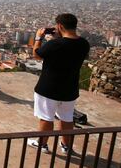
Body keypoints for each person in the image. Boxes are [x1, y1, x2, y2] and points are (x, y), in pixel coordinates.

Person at [27, 13, 90, 154]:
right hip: (70, 89)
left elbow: (36, 54)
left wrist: (38, 37)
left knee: (46, 118)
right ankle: (66, 146)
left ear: (60, 26)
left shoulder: (55, 44)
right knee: (67, 119)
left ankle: (42, 145)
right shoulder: (84, 44)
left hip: (48, 88)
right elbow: (68, 49)